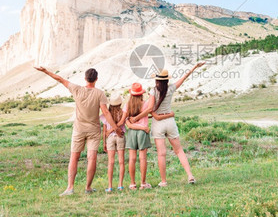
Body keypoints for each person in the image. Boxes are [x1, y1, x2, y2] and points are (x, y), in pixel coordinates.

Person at [34, 66, 117, 196]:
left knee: (74, 157)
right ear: (96, 79)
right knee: (92, 158)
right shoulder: (99, 93)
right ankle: (88, 187)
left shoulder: (76, 89)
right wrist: (115, 128)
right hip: (94, 130)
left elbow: (60, 79)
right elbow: (105, 112)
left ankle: (70, 188)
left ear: (85, 78)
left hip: (79, 129)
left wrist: (45, 71)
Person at [129, 62, 205, 187]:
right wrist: (195, 67)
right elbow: (184, 77)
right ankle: (190, 175)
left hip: (158, 124)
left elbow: (149, 109)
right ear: (166, 80)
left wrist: (136, 118)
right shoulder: (171, 89)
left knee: (161, 154)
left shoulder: (153, 92)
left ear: (157, 80)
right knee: (179, 150)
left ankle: (164, 181)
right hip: (170, 122)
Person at [101, 94, 126, 192]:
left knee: (110, 162)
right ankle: (120, 185)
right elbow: (122, 123)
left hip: (110, 139)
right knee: (121, 162)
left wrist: (104, 142)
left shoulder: (105, 115)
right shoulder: (122, 113)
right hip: (120, 137)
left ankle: (110, 186)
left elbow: (104, 131)